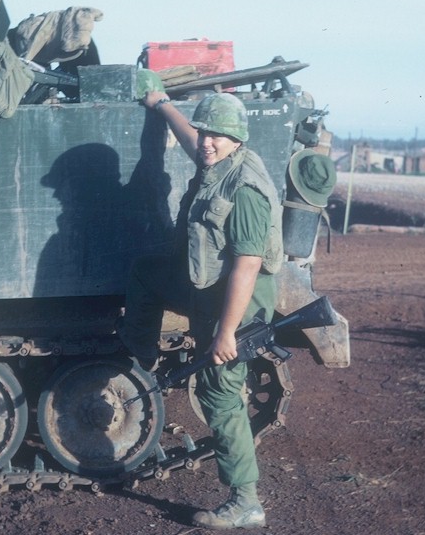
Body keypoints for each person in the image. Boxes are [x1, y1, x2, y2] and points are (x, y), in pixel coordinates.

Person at [118, 89, 284, 529]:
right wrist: (162, 105)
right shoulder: (218, 160)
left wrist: (226, 333)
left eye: (218, 135)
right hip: (205, 285)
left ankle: (245, 500)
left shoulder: (246, 188)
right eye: (205, 132)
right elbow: (192, 139)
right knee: (145, 272)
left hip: (237, 304)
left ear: (237, 139)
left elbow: (247, 267)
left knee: (219, 393)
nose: (207, 141)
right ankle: (144, 355)